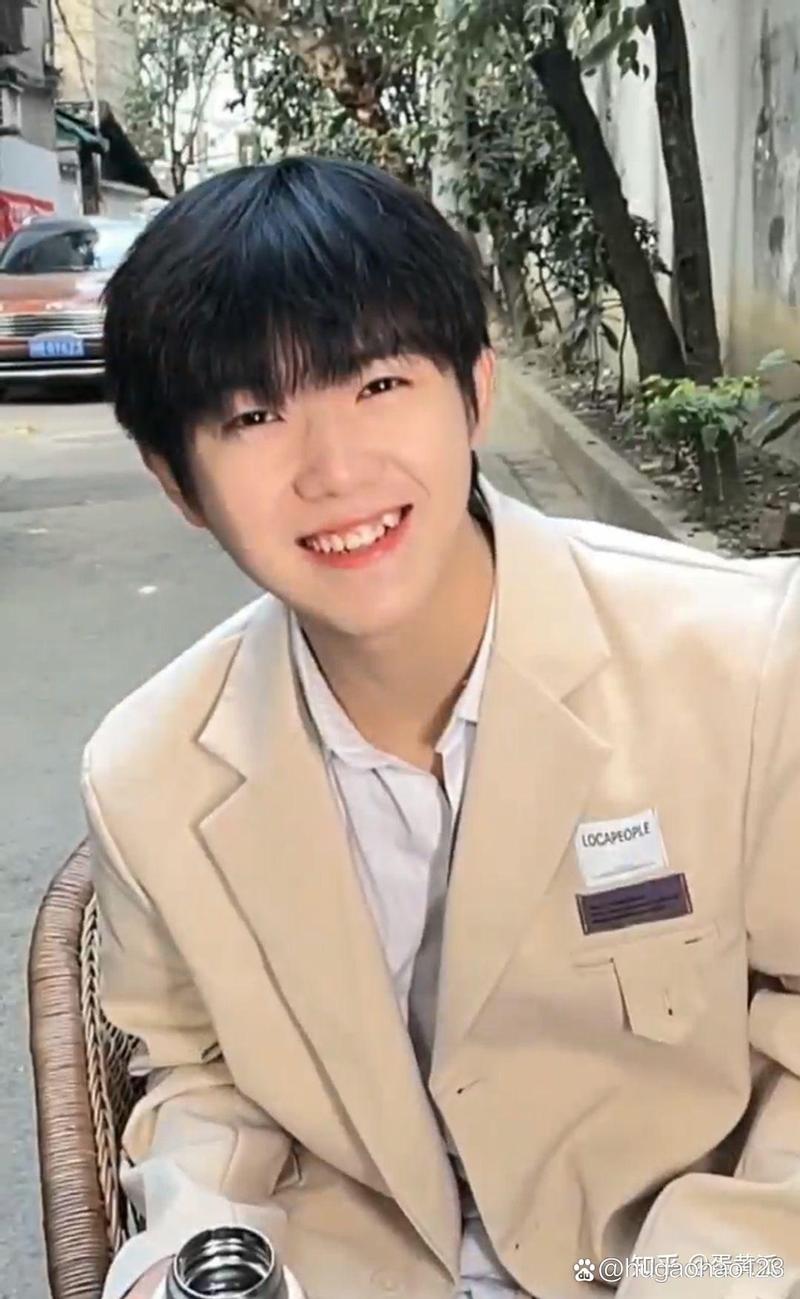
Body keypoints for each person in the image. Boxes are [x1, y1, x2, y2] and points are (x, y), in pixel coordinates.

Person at [84, 156, 800, 1299]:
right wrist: (201, 1256)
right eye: (254, 416)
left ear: (474, 390)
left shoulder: (745, 662)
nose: (333, 471)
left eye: (376, 385)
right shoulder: (148, 776)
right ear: (177, 482)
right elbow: (195, 1072)